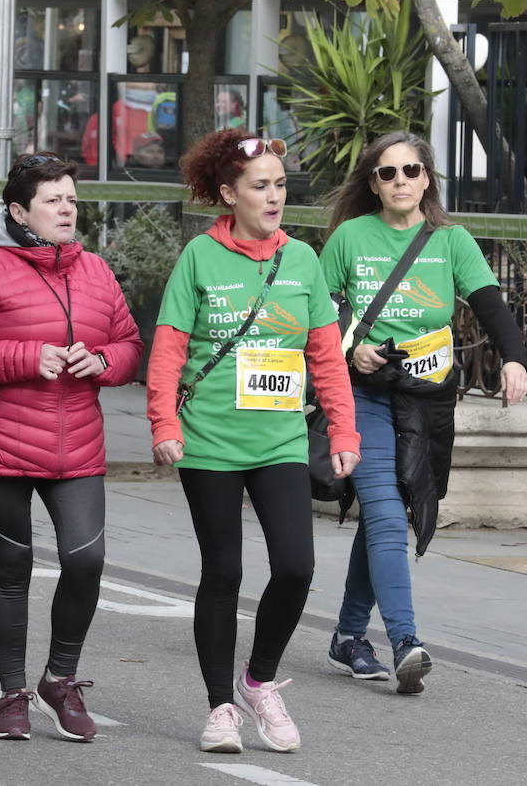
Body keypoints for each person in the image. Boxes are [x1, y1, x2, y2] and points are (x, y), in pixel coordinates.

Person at [146, 129, 359, 754]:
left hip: (281, 441)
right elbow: (168, 351)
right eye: (260, 186)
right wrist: (163, 423)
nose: (274, 197)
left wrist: (343, 430)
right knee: (225, 571)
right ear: (228, 194)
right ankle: (219, 709)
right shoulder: (199, 258)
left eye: (280, 185)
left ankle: (259, 680)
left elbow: (326, 356)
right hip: (209, 440)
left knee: (297, 566)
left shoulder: (303, 261)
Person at [0, 152, 143, 742]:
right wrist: (29, 356)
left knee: (87, 560)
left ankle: (61, 678)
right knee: (11, 566)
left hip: (75, 441)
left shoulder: (97, 271)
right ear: (19, 211)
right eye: (53, 200)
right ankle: (12, 693)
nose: (67, 209)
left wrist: (100, 361)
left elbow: (129, 346)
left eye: (71, 199)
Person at [320, 131, 527, 696]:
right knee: (386, 512)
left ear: (427, 177)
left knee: (397, 513)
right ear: (373, 183)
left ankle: (346, 635)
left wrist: (514, 358)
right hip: (363, 393)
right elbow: (315, 312)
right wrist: (348, 345)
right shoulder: (349, 237)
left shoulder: (450, 241)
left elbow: (491, 303)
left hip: (428, 397)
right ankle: (406, 641)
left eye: (411, 170)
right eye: (388, 174)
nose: (401, 182)